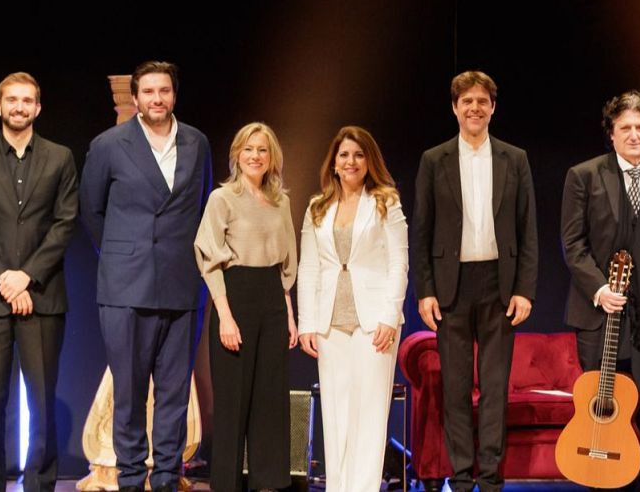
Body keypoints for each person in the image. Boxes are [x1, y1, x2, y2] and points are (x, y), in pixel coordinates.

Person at [80, 60, 214, 492]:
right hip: (125, 286)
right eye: (149, 92)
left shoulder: (196, 142)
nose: (158, 99)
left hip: (181, 283)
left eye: (165, 91)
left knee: (174, 394)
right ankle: (133, 479)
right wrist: (122, 256)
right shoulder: (109, 145)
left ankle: (168, 478)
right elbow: (92, 210)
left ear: (174, 95)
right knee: (130, 392)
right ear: (135, 97)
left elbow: (202, 207)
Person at [412, 71, 537, 492]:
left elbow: (528, 229)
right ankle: (462, 478)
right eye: (466, 101)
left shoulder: (515, 158)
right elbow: (422, 232)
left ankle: (491, 479)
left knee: (496, 388)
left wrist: (524, 289)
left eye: (482, 101)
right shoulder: (434, 160)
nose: (475, 108)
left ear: (493, 107)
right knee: (456, 389)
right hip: (452, 286)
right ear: (455, 107)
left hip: (500, 284)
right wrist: (426, 291)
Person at [0, 71, 79, 492]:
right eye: (12, 100)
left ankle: (40, 484)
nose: (19, 107)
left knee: (41, 401)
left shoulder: (60, 157)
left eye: (27, 100)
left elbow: (65, 222)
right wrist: (4, 281)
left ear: (38, 108)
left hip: (42, 295)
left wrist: (27, 276)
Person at [560, 90, 640, 492]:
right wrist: (599, 289)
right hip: (597, 313)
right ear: (611, 133)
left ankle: (635, 482)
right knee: (601, 404)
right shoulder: (584, 175)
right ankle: (599, 481)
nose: (633, 135)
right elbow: (572, 244)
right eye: (624, 127)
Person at [299, 126, 409, 492]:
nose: (351, 162)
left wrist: (390, 317)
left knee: (370, 414)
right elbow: (309, 267)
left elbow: (399, 263)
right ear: (334, 162)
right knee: (336, 415)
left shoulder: (385, 202)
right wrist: (307, 323)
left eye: (359, 155)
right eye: (344, 155)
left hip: (374, 322)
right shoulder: (318, 207)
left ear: (369, 161)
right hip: (330, 323)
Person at [194, 122, 299, 492]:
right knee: (233, 400)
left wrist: (289, 315)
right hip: (234, 296)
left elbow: (285, 264)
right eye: (249, 149)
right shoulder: (222, 199)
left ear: (272, 157)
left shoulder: (281, 202)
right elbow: (210, 261)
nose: (256, 156)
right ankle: (226, 484)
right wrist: (225, 316)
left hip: (272, 298)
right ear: (237, 155)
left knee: (270, 398)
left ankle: (268, 483)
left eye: (263, 150)